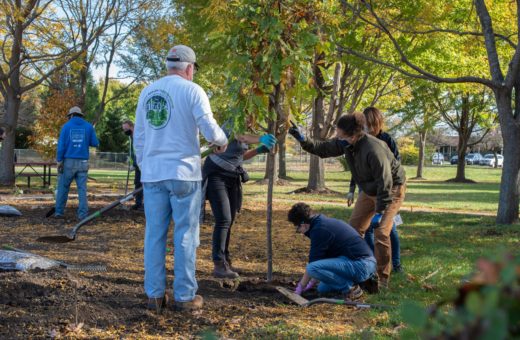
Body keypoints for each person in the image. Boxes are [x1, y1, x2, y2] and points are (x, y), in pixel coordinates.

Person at [134, 45, 228, 312]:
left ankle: (154, 295)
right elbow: (209, 127)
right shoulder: (192, 90)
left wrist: (147, 166)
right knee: (186, 235)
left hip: (153, 175)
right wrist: (220, 140)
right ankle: (185, 297)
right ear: (189, 68)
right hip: (184, 174)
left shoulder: (147, 92)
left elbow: (139, 138)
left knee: (154, 234)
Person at [289, 112, 406, 287]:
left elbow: (385, 182)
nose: (337, 137)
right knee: (354, 229)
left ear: (353, 135)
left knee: (381, 232)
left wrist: (379, 212)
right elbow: (323, 149)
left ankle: (381, 279)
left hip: (391, 189)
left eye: (340, 134)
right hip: (369, 189)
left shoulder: (374, 149)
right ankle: (357, 270)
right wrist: (303, 139)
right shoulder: (347, 144)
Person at [203, 122, 276, 279]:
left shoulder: (248, 130)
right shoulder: (233, 121)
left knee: (230, 220)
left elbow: (240, 157)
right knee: (223, 219)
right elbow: (240, 136)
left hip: (232, 177)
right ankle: (219, 264)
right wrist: (260, 138)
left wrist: (259, 150)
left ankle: (226, 260)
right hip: (216, 174)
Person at [347, 107, 403, 273]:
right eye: (366, 125)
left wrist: (384, 200)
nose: (369, 129)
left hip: (386, 189)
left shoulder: (386, 140)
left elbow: (392, 170)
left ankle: (396, 264)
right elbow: (357, 168)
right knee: (367, 228)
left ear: (379, 123)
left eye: (372, 125)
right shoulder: (359, 140)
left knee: (386, 229)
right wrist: (352, 189)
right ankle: (370, 261)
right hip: (367, 189)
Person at [287, 202, 376, 299]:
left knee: (312, 268)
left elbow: (313, 265)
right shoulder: (320, 222)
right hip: (356, 262)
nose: (299, 232)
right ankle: (359, 282)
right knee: (322, 288)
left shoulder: (319, 230)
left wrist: (300, 288)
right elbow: (321, 261)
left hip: (362, 264)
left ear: (303, 224)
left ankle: (351, 289)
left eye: (298, 229)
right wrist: (311, 283)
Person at [54, 106, 99, 220]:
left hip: (68, 161)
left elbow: (61, 146)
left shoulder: (66, 126)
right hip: (83, 162)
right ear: (80, 115)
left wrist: (59, 160)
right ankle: (82, 214)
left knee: (63, 188)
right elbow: (95, 143)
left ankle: (59, 212)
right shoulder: (88, 126)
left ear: (71, 115)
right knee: (82, 189)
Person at [122, 120, 143, 210]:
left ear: (132, 126)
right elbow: (133, 152)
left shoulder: (139, 135)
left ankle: (146, 204)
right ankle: (138, 203)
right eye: (124, 129)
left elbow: (140, 151)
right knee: (137, 183)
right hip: (138, 164)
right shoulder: (131, 137)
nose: (125, 131)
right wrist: (130, 159)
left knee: (145, 184)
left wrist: (134, 164)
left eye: (126, 128)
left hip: (144, 164)